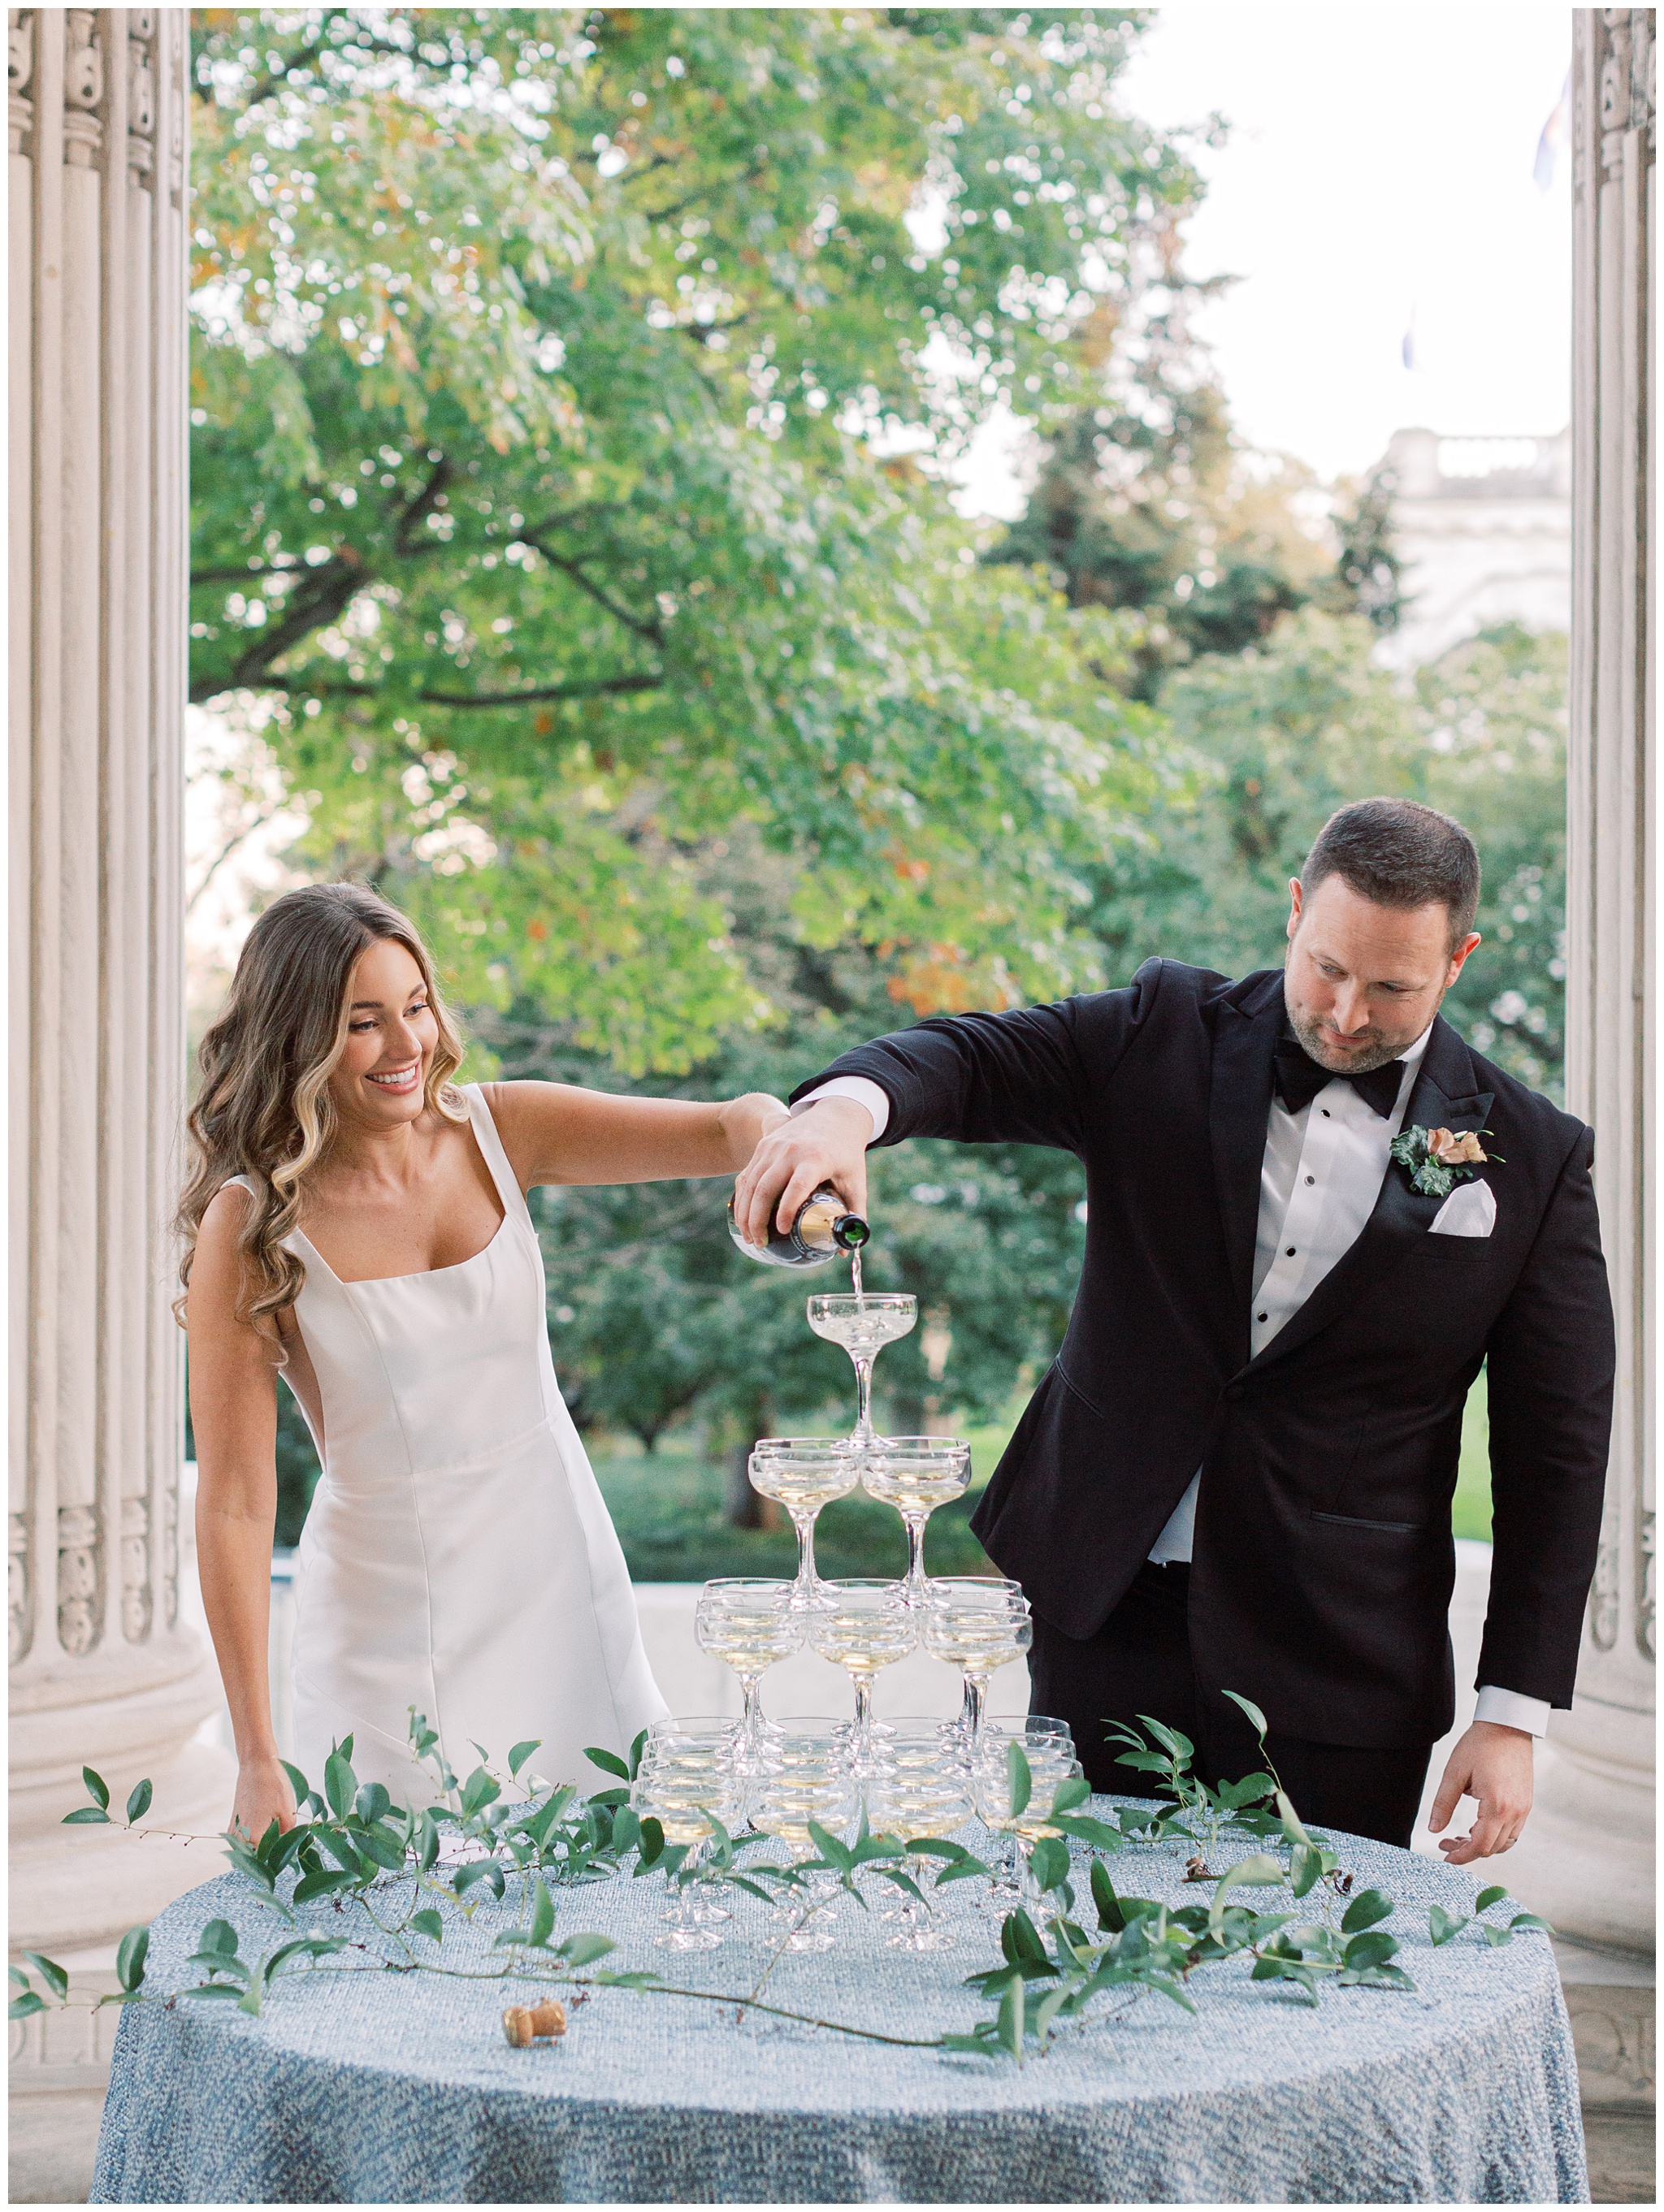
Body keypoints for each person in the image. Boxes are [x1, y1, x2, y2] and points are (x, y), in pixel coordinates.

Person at [734, 798, 1616, 1855]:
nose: (1345, 1015)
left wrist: (1511, 1712)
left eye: (1391, 988)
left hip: (1342, 1656)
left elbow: (1557, 1450)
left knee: (1314, 1948)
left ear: (1458, 960)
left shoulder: (1533, 1155)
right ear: (1293, 911)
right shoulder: (1157, 1033)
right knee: (1087, 1922)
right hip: (1106, 1608)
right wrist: (843, 1109)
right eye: (1326, 968)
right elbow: (967, 1059)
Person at [183, 883, 788, 1839]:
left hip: (561, 1582)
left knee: (619, 1872)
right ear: (297, 1037)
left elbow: (725, 1127)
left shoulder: (500, 1129)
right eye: (363, 1022)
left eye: (417, 1005)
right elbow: (234, 1502)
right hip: (386, 1626)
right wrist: (256, 1755)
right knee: (413, 1893)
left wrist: (777, 1140)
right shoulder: (252, 1223)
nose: (407, 1043)